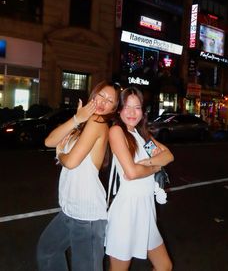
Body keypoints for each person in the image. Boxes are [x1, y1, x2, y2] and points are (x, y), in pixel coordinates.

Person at [37, 80, 120, 271]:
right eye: (101, 95)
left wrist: (60, 153)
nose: (103, 101)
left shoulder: (98, 122)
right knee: (47, 251)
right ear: (94, 95)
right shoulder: (82, 124)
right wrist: (76, 118)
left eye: (110, 100)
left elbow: (71, 162)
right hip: (70, 209)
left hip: (87, 215)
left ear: (113, 108)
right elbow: (49, 141)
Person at [105, 87, 174, 271]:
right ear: (119, 109)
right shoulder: (117, 132)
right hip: (127, 211)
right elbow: (132, 173)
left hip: (146, 210)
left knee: (164, 266)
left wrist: (149, 162)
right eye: (127, 107)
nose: (131, 113)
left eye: (137, 107)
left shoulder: (142, 136)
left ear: (143, 112)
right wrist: (156, 166)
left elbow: (168, 155)